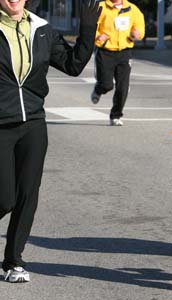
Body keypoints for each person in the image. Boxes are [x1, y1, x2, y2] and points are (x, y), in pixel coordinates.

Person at [0, 0, 101, 283]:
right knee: (4, 197)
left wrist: (88, 28)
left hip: (33, 122)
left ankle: (13, 261)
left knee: (28, 194)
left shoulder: (41, 29)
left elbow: (73, 65)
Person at [90, 0, 145, 126]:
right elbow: (90, 27)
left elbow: (139, 28)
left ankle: (116, 115)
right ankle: (99, 89)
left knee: (123, 87)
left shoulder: (132, 9)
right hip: (105, 51)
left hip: (124, 52)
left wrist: (136, 34)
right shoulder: (101, 7)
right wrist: (98, 37)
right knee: (106, 84)